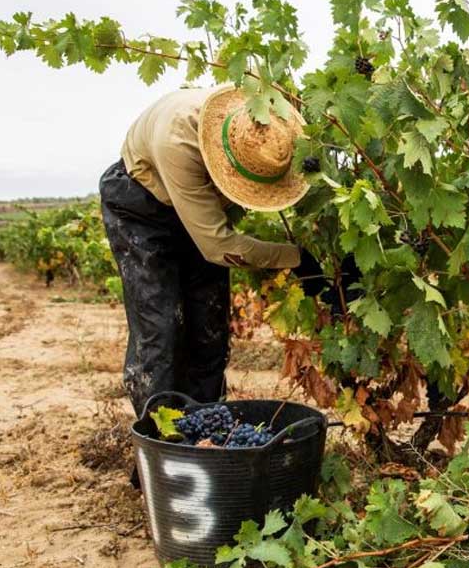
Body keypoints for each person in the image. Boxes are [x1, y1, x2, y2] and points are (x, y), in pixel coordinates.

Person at [99, 85, 333, 425]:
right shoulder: (178, 143)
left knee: (209, 331)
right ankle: (161, 444)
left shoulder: (259, 121)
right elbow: (219, 247)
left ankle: (205, 433)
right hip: (140, 208)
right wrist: (297, 258)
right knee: (161, 332)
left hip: (197, 207)